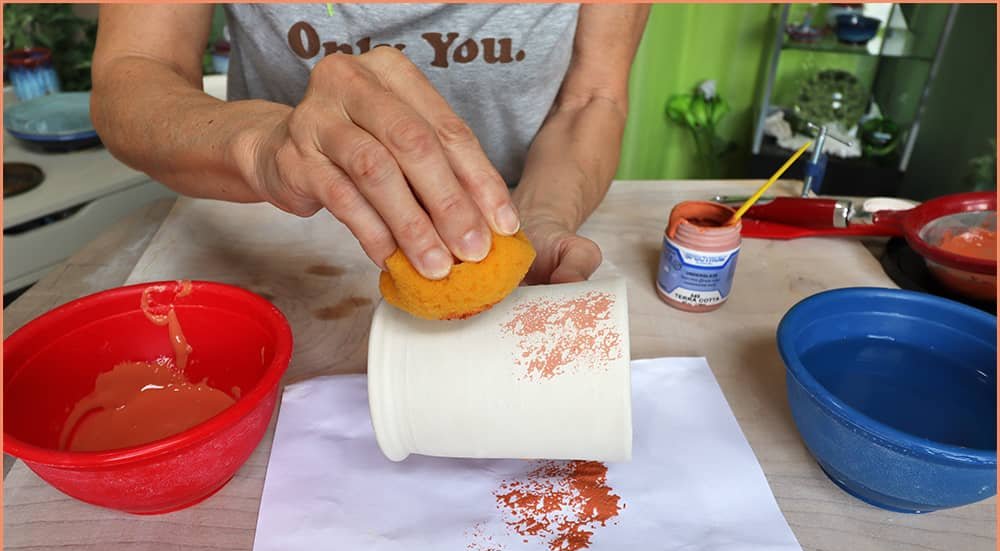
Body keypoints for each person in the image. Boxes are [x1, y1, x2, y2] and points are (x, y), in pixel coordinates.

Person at [90, 3, 649, 284]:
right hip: (276, 240)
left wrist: (541, 220)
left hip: (504, 226)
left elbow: (592, 97)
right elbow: (134, 72)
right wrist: (264, 147)